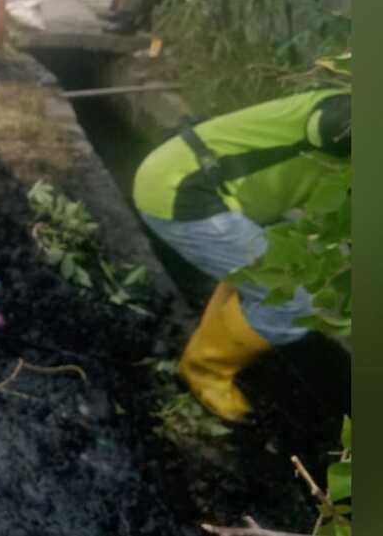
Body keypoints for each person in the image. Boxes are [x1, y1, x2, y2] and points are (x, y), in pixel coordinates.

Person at [132, 89, 351, 420]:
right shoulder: (345, 112)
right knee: (292, 301)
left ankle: (216, 336)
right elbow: (332, 124)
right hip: (186, 191)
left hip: (198, 183)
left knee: (282, 263)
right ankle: (204, 370)